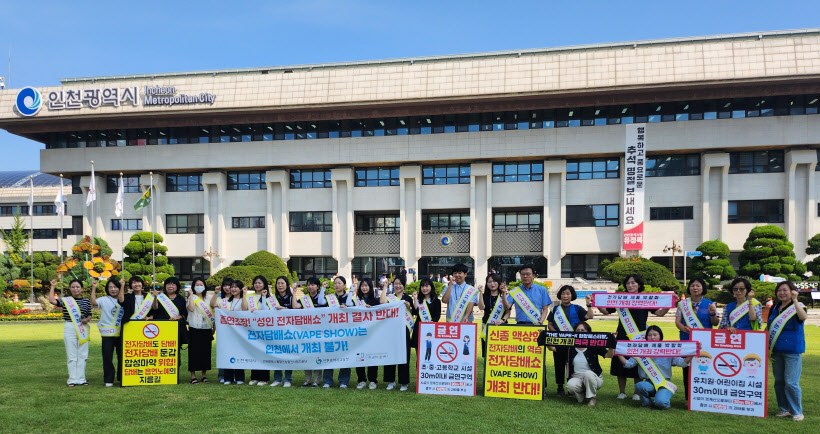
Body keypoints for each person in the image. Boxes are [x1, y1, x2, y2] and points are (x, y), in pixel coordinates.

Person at [599, 274, 669, 400]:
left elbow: (659, 313)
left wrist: (669, 304)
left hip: (641, 337)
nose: (630, 285)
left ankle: (637, 393)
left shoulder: (645, 299)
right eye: (628, 283)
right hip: (622, 335)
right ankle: (622, 392)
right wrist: (596, 303)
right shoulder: (620, 298)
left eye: (633, 283)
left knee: (639, 365)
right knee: (620, 365)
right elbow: (605, 311)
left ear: (639, 285)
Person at [617, 325, 694, 410]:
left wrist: (693, 352)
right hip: (649, 382)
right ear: (646, 337)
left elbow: (682, 363)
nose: (652, 337)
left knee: (661, 403)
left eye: (655, 335)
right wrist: (618, 352)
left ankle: (664, 396)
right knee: (639, 385)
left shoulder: (668, 349)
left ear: (660, 336)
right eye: (649, 335)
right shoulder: (641, 350)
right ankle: (647, 403)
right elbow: (628, 364)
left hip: (664, 383)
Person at [767, 281, 807, 421]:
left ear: (792, 291)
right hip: (776, 350)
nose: (782, 293)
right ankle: (784, 409)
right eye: (779, 290)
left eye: (785, 290)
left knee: (791, 382)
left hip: (792, 350)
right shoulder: (775, 307)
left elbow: (802, 317)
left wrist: (796, 300)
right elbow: (769, 326)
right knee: (779, 381)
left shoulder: (798, 306)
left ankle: (797, 411)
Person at [674, 277, 719, 399]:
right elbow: (677, 321)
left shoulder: (710, 303)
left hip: (705, 342)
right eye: (692, 285)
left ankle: (704, 396)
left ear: (703, 288)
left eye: (698, 285)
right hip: (686, 340)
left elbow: (715, 323)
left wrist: (712, 314)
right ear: (689, 288)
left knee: (705, 367)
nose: (695, 288)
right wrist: (682, 327)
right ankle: (688, 398)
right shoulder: (682, 304)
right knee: (687, 368)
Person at [551, 321, 614, 406]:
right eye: (578, 330)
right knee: (570, 385)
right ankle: (582, 397)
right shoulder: (570, 345)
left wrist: (611, 344)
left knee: (588, 374)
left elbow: (609, 355)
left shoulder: (593, 344)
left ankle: (592, 398)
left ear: (588, 332)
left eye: (583, 330)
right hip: (577, 377)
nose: (580, 332)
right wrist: (544, 337)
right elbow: (553, 348)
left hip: (593, 377)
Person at [546, 285, 594, 396]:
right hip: (559, 342)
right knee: (559, 364)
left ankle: (571, 387)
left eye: (568, 293)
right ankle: (559, 387)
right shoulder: (555, 309)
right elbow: (550, 324)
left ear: (572, 295)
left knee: (572, 364)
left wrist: (589, 304)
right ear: (560, 295)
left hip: (574, 343)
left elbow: (590, 316)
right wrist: (557, 334)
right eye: (563, 293)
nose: (565, 296)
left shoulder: (577, 308)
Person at [48, 278, 92, 386]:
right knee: (72, 354)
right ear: (70, 288)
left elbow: (89, 314)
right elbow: (52, 301)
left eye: (78, 287)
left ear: (81, 288)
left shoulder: (86, 301)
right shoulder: (66, 300)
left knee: (83, 354)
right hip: (70, 327)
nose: (75, 289)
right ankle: (72, 379)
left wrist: (87, 319)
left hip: (83, 327)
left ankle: (81, 379)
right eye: (73, 287)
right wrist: (53, 286)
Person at [381, 275, 413, 391]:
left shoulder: (407, 298)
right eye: (396, 284)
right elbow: (382, 301)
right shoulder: (390, 297)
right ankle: (391, 381)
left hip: (404, 330)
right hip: (391, 329)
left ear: (403, 285)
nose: (398, 286)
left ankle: (404, 382)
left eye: (400, 283)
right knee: (391, 354)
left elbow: (412, 312)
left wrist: (409, 307)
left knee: (404, 355)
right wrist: (385, 287)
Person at [90, 278, 125, 387]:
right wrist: (94, 288)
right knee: (107, 357)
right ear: (107, 289)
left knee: (122, 356)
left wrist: (123, 286)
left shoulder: (124, 299)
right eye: (110, 287)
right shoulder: (103, 299)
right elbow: (93, 302)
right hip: (108, 333)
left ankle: (121, 377)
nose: (113, 289)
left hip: (122, 333)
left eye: (115, 287)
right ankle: (108, 379)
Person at [294, 276, 327, 387]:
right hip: (306, 332)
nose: (310, 287)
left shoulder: (322, 298)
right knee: (306, 355)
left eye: (313, 285)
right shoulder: (304, 299)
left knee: (317, 355)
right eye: (308, 285)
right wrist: (294, 293)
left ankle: (317, 380)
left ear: (317, 286)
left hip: (318, 332)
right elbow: (295, 307)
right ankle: (307, 380)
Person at [322, 276, 352, 389]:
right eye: (335, 283)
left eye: (339, 283)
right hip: (330, 330)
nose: (337, 285)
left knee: (344, 355)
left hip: (344, 331)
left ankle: (344, 381)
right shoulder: (329, 298)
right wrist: (323, 289)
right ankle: (328, 381)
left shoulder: (349, 298)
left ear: (344, 285)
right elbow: (321, 305)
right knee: (329, 355)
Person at [217, 280, 247, 385]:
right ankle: (227, 377)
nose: (233, 289)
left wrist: (245, 295)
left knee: (239, 353)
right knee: (227, 353)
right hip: (227, 332)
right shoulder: (226, 301)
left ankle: (239, 377)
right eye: (232, 287)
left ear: (240, 289)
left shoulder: (244, 299)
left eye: (236, 287)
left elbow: (244, 308)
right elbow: (214, 306)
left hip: (239, 332)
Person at [186, 277, 213, 384]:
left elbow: (213, 313)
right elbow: (191, 308)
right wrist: (191, 296)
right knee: (193, 352)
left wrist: (213, 328)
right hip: (194, 328)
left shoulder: (209, 298)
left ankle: (204, 375)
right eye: (197, 284)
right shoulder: (190, 298)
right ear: (193, 286)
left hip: (206, 328)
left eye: (201, 284)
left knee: (205, 352)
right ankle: (193, 375)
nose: (199, 286)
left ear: (204, 286)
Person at [355, 277, 380, 389]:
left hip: (372, 333)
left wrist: (371, 309)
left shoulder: (375, 301)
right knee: (358, 356)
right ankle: (361, 380)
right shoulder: (355, 301)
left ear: (370, 287)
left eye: (366, 286)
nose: (364, 288)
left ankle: (372, 380)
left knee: (371, 357)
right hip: (359, 333)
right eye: (362, 286)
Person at [151, 276, 189, 350]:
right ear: (165, 286)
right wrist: (155, 298)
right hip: (161, 327)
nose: (170, 286)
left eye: (173, 284)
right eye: (168, 284)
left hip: (175, 328)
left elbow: (185, 314)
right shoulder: (160, 297)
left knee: (175, 350)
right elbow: (155, 308)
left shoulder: (181, 299)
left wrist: (179, 317)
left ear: (177, 286)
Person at [248, 275, 272, 386]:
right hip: (253, 328)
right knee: (254, 352)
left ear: (264, 284)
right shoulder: (249, 297)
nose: (257, 285)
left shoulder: (270, 297)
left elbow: (269, 311)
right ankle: (254, 377)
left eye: (260, 283)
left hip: (265, 328)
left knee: (263, 352)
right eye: (256, 283)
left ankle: (264, 378)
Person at [477, 273, 509, 357]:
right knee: (488, 351)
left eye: (494, 281)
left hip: (501, 325)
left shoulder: (504, 295)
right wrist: (480, 293)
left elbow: (508, 311)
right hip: (487, 325)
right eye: (489, 282)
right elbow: (481, 307)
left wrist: (503, 320)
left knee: (501, 350)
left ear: (498, 283)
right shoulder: (485, 296)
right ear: (487, 284)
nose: (492, 284)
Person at [271, 276, 294, 387]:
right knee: (277, 355)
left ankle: (288, 379)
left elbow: (296, 311)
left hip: (289, 331)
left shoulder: (291, 298)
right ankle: (277, 378)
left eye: (282, 283)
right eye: (278, 283)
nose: (280, 285)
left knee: (288, 355)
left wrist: (285, 310)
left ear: (287, 285)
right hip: (276, 331)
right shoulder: (272, 299)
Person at [210, 278, 234, 383]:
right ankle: (222, 375)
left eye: (229, 285)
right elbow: (212, 304)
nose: (227, 288)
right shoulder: (220, 301)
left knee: (234, 352)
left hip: (234, 331)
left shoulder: (237, 299)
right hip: (222, 331)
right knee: (222, 352)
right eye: (225, 285)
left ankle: (233, 375)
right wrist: (216, 292)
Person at [412, 278, 441, 348]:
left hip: (431, 329)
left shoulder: (436, 301)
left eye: (427, 286)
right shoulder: (419, 300)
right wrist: (415, 299)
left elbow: (437, 316)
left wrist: (431, 322)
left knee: (430, 350)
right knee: (418, 352)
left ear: (431, 287)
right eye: (422, 286)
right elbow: (415, 312)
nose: (424, 288)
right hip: (419, 328)